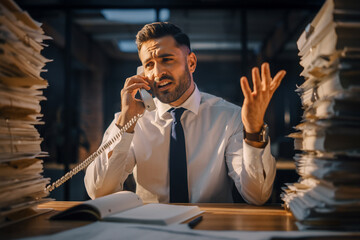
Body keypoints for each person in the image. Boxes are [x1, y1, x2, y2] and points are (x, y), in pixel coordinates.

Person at [84, 22, 286, 205]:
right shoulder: (131, 120)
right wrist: (125, 125)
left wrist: (253, 131)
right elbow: (99, 192)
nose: (157, 72)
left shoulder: (229, 117)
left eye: (167, 59)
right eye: (149, 65)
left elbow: (257, 195)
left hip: (211, 229)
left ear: (191, 63)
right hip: (151, 230)